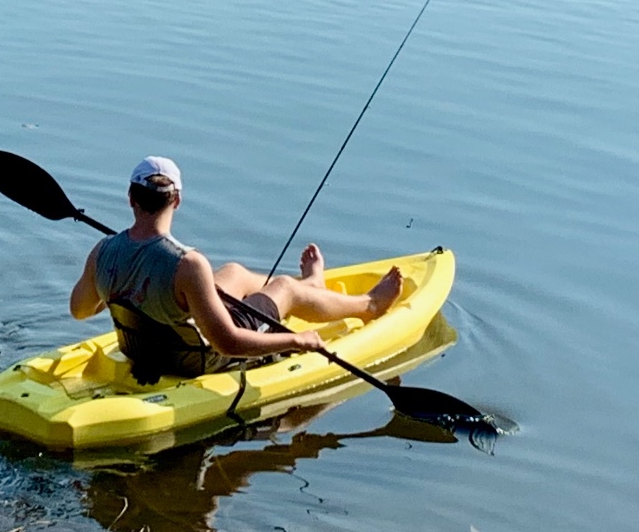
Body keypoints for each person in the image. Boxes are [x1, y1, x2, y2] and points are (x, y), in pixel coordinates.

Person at [69, 156, 403, 384]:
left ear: (130, 198)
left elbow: (80, 310)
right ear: (177, 201)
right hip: (192, 359)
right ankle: (368, 305)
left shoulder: (103, 252)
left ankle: (312, 287)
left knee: (234, 273)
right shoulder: (188, 263)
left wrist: (114, 283)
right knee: (284, 287)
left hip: (143, 348)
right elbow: (228, 343)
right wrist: (297, 340)